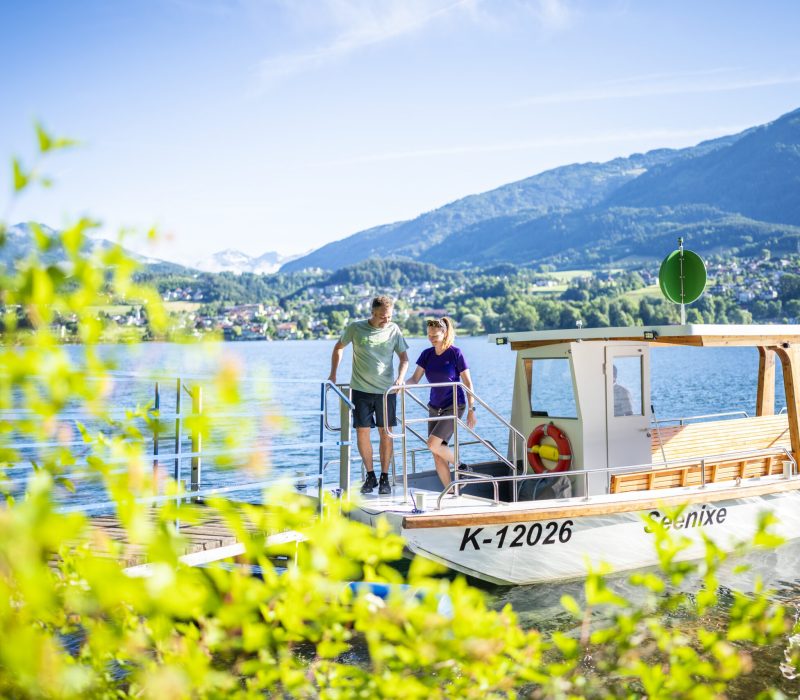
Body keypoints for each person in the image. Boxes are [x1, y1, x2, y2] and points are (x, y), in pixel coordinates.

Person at [329, 296, 409, 495]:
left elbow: (404, 358)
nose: (386, 320)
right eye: (382, 316)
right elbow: (338, 347)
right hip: (361, 390)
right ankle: (370, 475)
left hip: (386, 392)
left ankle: (384, 477)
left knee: (386, 433)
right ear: (372, 313)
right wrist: (333, 374)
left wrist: (400, 378)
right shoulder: (356, 328)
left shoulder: (394, 330)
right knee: (362, 432)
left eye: (389, 316)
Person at [406, 317, 476, 487]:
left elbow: (468, 382)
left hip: (454, 405)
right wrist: (399, 386)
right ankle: (450, 491)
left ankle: (463, 467)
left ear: (444, 333)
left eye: (434, 335)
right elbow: (415, 379)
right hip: (434, 407)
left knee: (432, 444)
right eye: (429, 335)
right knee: (436, 452)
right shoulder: (427, 354)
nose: (431, 338)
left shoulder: (455, 353)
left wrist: (472, 409)